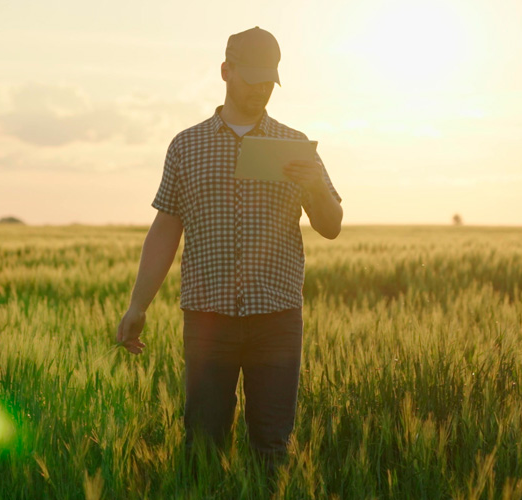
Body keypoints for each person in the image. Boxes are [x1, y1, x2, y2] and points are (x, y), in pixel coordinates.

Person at [113, 26, 343, 479]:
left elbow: (330, 226)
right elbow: (165, 227)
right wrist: (138, 305)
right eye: (251, 76)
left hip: (276, 317)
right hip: (207, 319)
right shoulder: (186, 146)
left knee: (272, 449)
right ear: (225, 71)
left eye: (268, 80)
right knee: (202, 446)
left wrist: (314, 184)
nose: (260, 88)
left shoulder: (297, 146)